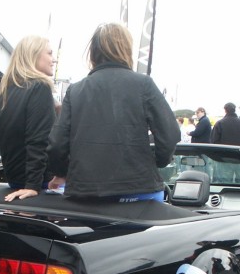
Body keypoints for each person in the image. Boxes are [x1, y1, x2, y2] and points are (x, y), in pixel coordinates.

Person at [47, 23, 179, 202]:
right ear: (125, 49)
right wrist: (157, 162)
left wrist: (61, 173)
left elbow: (56, 144)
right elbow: (169, 135)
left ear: (93, 51)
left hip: (86, 194)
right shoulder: (144, 85)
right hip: (139, 189)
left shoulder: (75, 91)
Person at [0, 35, 56, 202]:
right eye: (49, 53)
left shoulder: (5, 93)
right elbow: (38, 140)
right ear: (33, 55)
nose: (53, 59)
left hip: (15, 183)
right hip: (36, 187)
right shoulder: (39, 87)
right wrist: (33, 185)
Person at [210, 102, 240, 183]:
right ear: (234, 110)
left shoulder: (220, 123)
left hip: (225, 158)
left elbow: (214, 142)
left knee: (225, 183)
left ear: (225, 110)